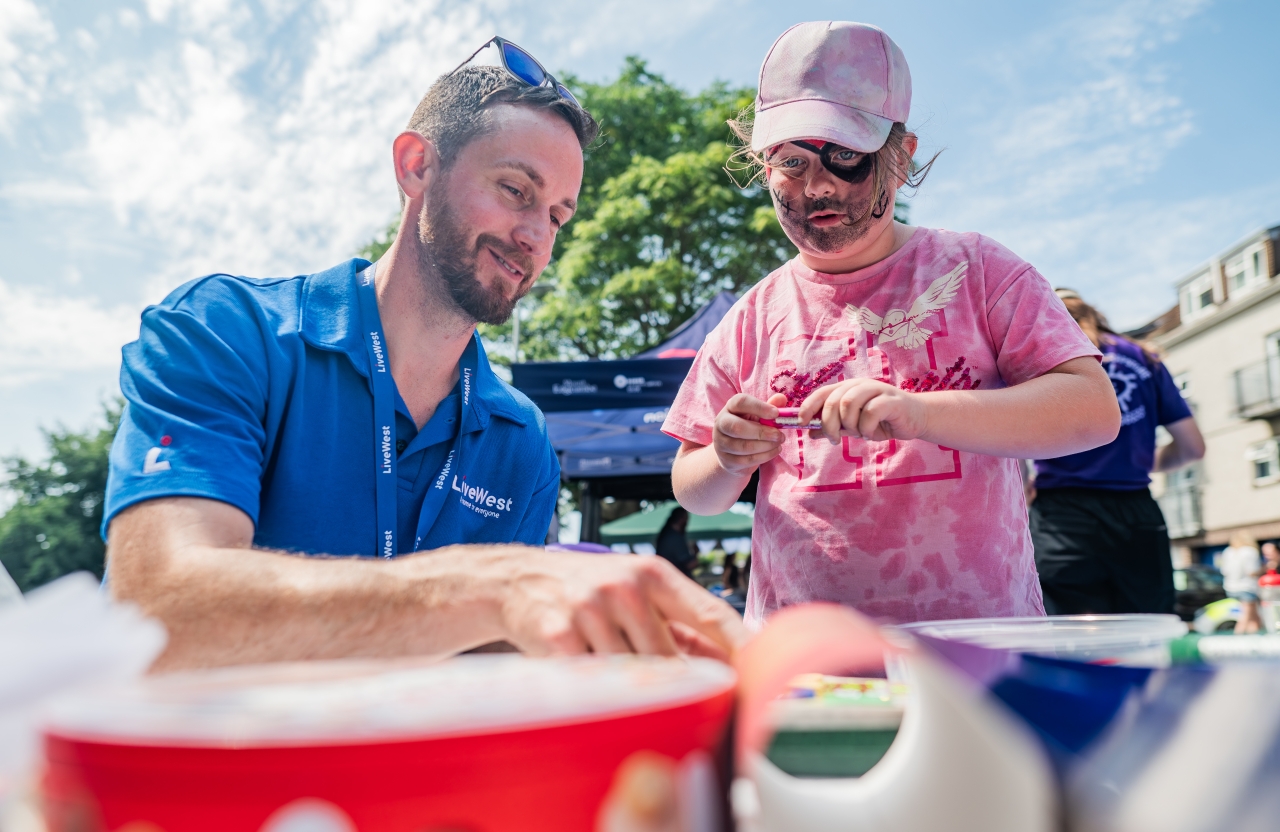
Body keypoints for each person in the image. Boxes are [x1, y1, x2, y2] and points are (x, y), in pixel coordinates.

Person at [103, 39, 747, 670]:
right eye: (516, 190)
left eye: (557, 215)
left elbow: (488, 664)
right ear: (416, 166)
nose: (534, 237)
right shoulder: (228, 329)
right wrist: (495, 586)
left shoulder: (520, 439)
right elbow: (157, 611)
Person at [663, 21, 1120, 628]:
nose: (817, 184)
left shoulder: (980, 270)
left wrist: (919, 413)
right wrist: (726, 456)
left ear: (899, 160)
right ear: (761, 166)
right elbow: (695, 489)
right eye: (791, 162)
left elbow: (1093, 412)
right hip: (805, 663)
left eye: (846, 156)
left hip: (976, 647)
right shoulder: (752, 316)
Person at [1029, 290, 1206, 615]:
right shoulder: (1144, 357)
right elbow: (1192, 447)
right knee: (1148, 628)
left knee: (1072, 634)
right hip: (1135, 509)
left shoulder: (1041, 355)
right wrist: (1138, 461)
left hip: (1063, 512)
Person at [1219, 531, 1263, 633]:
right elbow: (1251, 572)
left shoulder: (1228, 551)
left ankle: (1254, 640)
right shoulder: (1250, 551)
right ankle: (1236, 641)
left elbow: (1224, 571)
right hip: (1247, 588)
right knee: (1245, 618)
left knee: (1254, 617)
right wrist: (1264, 569)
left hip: (1230, 587)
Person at [655, 508, 695, 577]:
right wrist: (696, 552)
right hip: (675, 579)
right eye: (686, 519)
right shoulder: (675, 537)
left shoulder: (666, 534)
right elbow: (690, 564)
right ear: (682, 519)